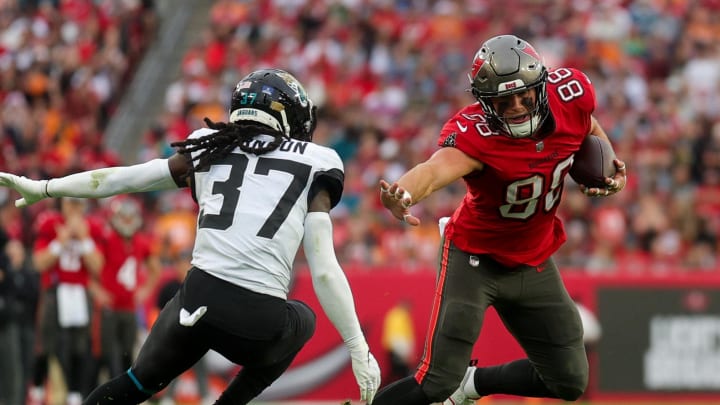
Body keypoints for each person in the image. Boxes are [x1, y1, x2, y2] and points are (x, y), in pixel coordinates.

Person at [0, 68, 381, 405]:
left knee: (133, 384)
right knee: (305, 318)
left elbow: (123, 178)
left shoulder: (208, 146)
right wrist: (358, 347)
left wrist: (47, 187)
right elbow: (325, 270)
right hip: (256, 317)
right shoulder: (319, 160)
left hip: (196, 299)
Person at [373, 35, 627, 405]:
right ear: (485, 103)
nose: (518, 107)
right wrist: (404, 193)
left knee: (570, 380)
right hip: (475, 259)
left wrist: (610, 166)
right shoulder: (476, 134)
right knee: (437, 381)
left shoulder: (571, 97)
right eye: (504, 101)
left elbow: (588, 127)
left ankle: (473, 383)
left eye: (525, 95)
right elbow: (433, 170)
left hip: (534, 258)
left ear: (540, 86)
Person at [30, 197, 105, 405]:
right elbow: (38, 262)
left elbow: (98, 267)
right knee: (45, 344)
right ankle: (36, 391)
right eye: (70, 203)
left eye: (78, 203)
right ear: (62, 203)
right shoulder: (50, 222)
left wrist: (84, 239)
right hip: (55, 291)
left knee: (78, 347)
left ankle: (74, 394)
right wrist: (60, 242)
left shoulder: (91, 227)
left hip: (80, 293)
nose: (73, 208)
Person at [87, 196, 162, 388]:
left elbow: (155, 269)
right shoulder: (106, 239)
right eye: (124, 216)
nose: (127, 221)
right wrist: (98, 292)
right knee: (108, 354)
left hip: (128, 308)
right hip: (109, 308)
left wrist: (145, 290)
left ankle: (122, 394)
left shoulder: (141, 241)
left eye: (131, 217)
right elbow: (90, 269)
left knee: (127, 353)